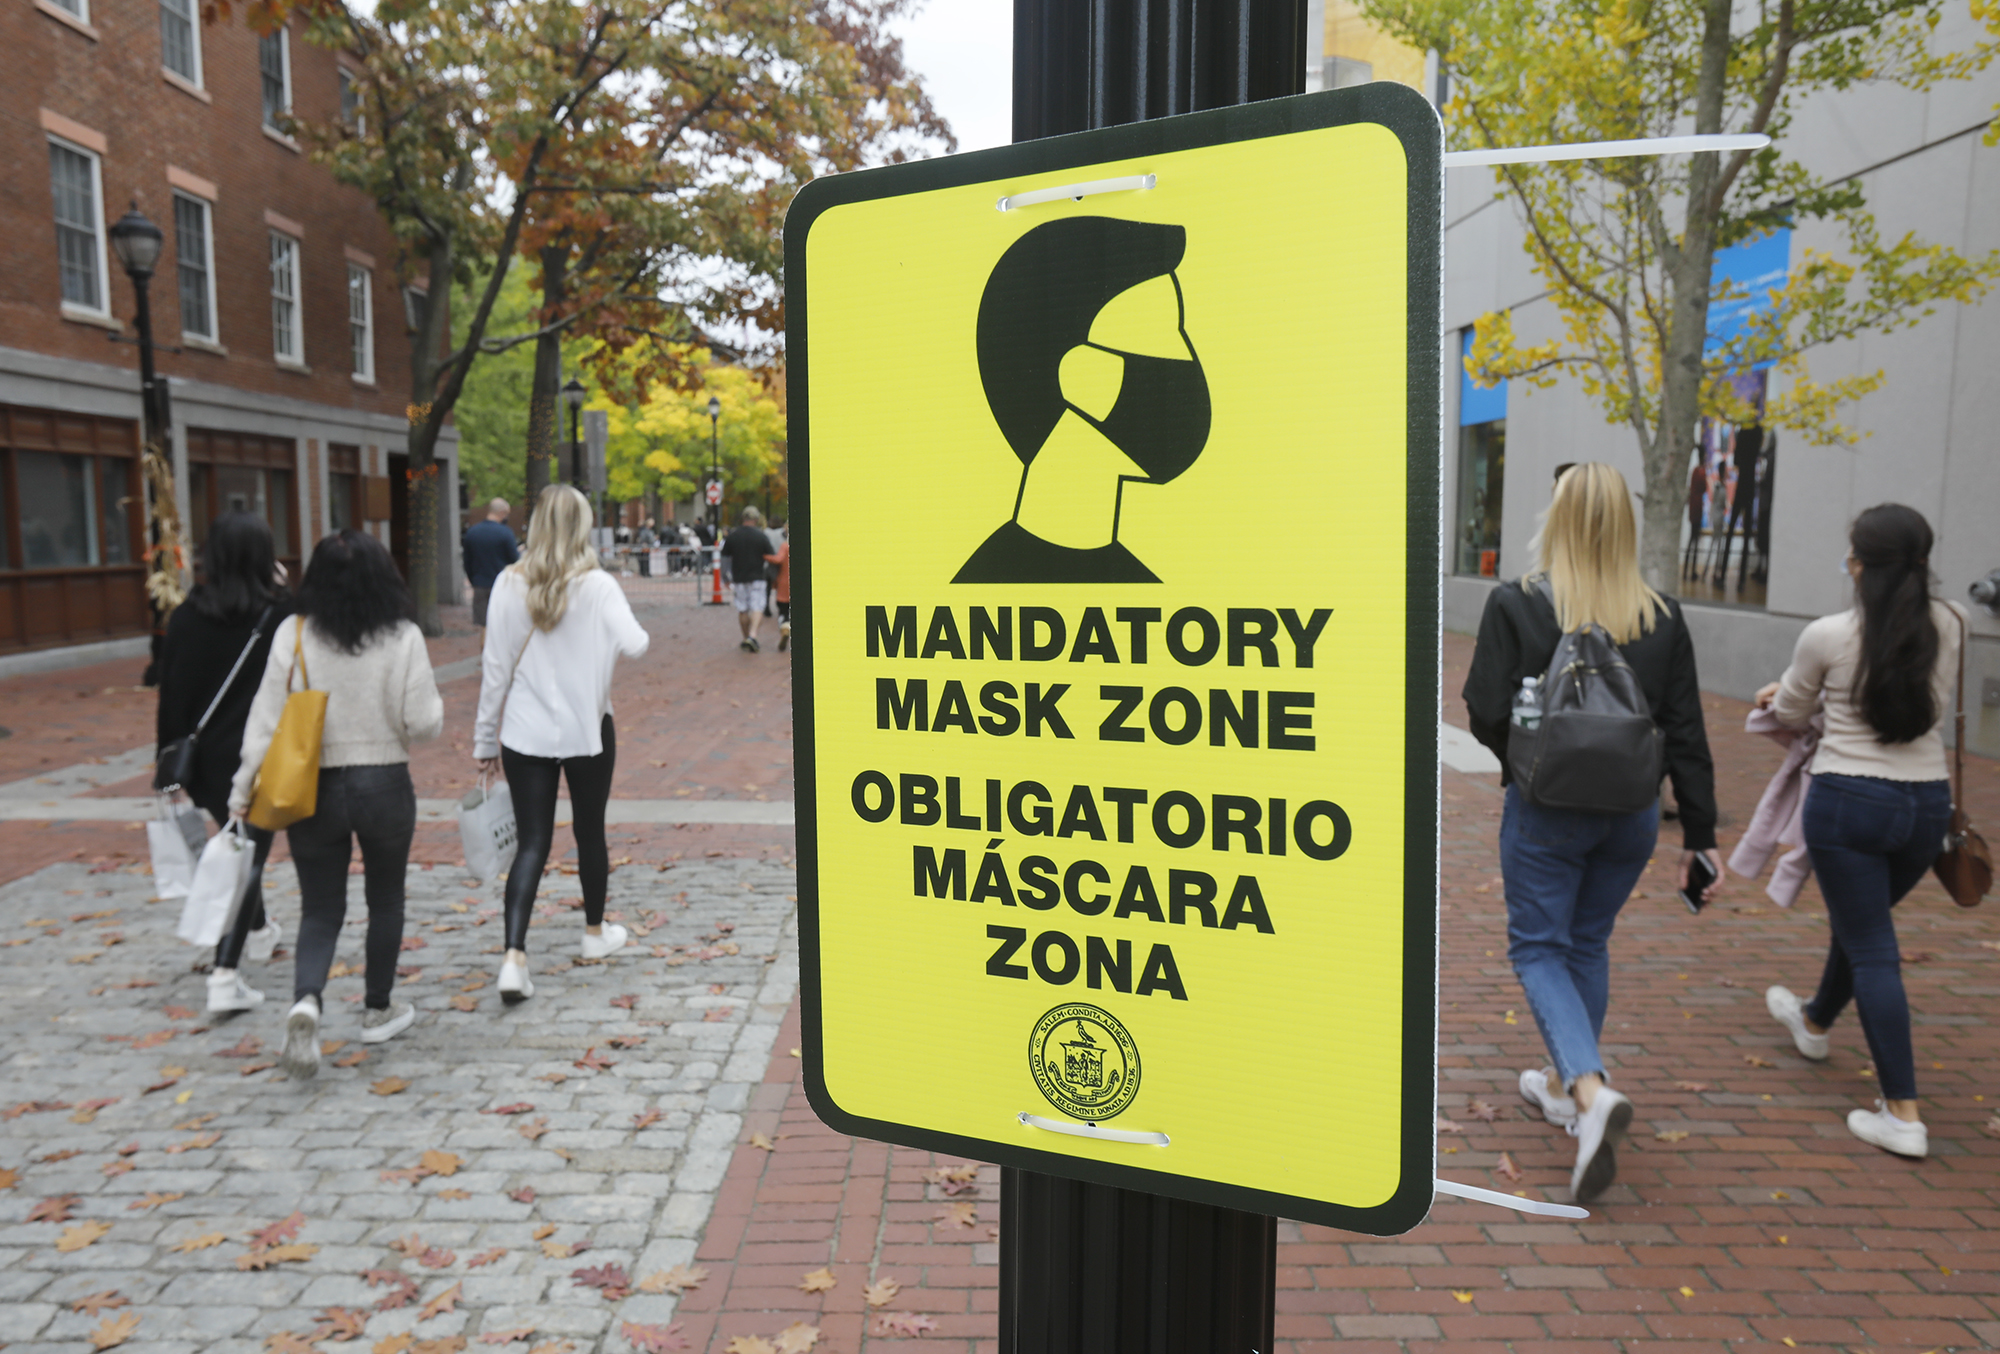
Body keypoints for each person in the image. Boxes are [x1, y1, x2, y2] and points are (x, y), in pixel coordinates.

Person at [1463, 463, 1721, 1202]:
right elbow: (1687, 732)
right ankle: (1557, 1084)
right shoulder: (1661, 615)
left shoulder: (1520, 603)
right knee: (1587, 942)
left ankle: (1586, 1089)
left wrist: (1521, 760)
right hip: (1632, 813)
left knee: (1540, 948)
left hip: (1549, 807)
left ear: (1558, 517)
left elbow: (1483, 706)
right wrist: (1699, 835)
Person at [1756, 504, 1964, 1158]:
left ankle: (1902, 1113)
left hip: (1848, 801)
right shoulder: (1952, 623)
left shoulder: (1826, 634)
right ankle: (1814, 1018)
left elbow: (1792, 706)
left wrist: (1773, 696)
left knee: (1873, 946)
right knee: (1864, 923)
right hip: (1926, 807)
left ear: (1857, 565)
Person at [232, 530, 443, 1079]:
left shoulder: (294, 634)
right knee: (386, 898)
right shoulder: (403, 636)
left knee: (321, 907)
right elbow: (423, 723)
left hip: (313, 790)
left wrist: (240, 793)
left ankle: (307, 1000)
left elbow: (264, 722)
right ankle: (378, 1007)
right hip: (384, 783)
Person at [473, 485, 650, 1003]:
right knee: (589, 831)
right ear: (583, 527)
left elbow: (494, 671)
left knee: (533, 842)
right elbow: (637, 642)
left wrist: (484, 738)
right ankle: (594, 934)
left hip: (523, 734)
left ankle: (513, 957)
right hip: (587, 730)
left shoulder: (508, 584)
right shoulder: (597, 586)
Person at [155, 513, 293, 1013]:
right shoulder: (281, 614)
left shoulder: (187, 617)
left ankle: (257, 929)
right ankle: (224, 972)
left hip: (208, 762)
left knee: (242, 847)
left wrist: (167, 760)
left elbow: (172, 695)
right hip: (265, 756)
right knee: (245, 859)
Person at [722, 506, 779, 652]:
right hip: (757, 577)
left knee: (742, 609)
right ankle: (753, 636)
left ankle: (746, 637)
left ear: (743, 519)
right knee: (757, 607)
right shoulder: (760, 536)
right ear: (755, 519)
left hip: (739, 577)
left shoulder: (733, 536)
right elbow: (771, 555)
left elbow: (725, 559)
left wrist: (725, 577)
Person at [462, 499, 519, 637]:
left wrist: (474, 580)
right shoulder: (506, 533)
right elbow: (515, 560)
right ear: (502, 512)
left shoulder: (472, 532)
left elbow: (467, 561)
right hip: (502, 586)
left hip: (480, 585)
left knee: (484, 627)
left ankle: (484, 656)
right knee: (501, 625)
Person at [769, 524, 792, 652]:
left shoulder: (785, 546)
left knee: (783, 612)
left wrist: (766, 556)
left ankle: (784, 630)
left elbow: (778, 559)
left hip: (784, 584)